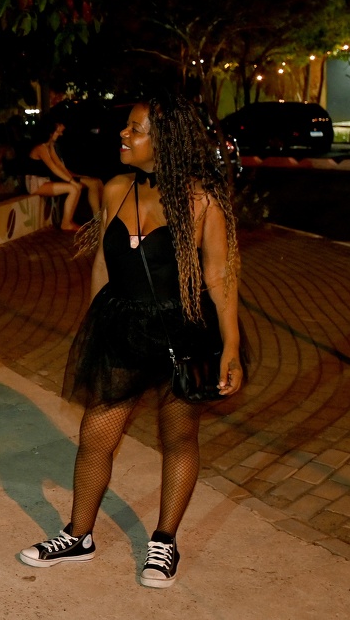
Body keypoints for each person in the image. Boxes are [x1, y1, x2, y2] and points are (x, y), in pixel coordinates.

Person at [19, 90, 247, 588]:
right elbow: (104, 262)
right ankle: (79, 534)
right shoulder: (115, 186)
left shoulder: (201, 199)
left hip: (182, 329)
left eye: (136, 129)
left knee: (178, 437)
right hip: (121, 324)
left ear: (164, 141)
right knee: (95, 435)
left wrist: (229, 346)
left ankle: (164, 542)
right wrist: (94, 325)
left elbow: (218, 276)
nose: (124, 134)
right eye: (127, 127)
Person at [24, 118, 104, 231]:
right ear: (50, 132)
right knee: (74, 189)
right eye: (57, 132)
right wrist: (71, 181)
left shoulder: (49, 146)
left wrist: (73, 178)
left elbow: (59, 165)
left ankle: (72, 220)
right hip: (35, 183)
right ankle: (66, 223)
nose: (60, 134)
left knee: (76, 187)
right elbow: (53, 167)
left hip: (43, 181)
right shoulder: (41, 148)